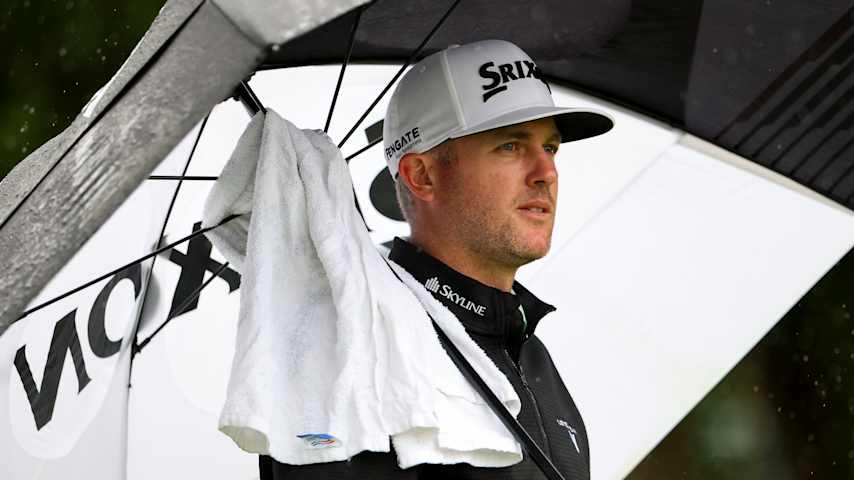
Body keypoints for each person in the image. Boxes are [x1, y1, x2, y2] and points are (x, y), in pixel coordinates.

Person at [260, 39, 613, 480]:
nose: (546, 173)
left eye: (551, 147)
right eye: (510, 146)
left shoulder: (529, 348)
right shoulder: (354, 346)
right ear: (422, 176)